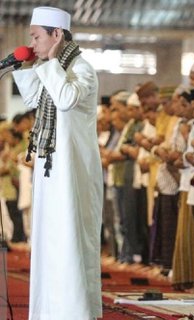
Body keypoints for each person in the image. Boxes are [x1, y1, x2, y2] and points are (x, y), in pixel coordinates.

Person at [12, 6, 103, 319]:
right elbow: (32, 98)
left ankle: (74, 312)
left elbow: (65, 98)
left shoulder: (82, 69)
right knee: (49, 242)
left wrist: (50, 63)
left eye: (37, 37)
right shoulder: (51, 67)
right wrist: (24, 66)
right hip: (51, 168)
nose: (33, 43)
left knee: (70, 240)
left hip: (73, 171)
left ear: (57, 34)